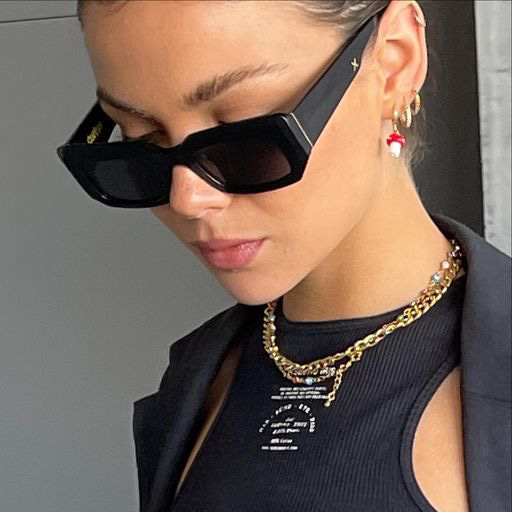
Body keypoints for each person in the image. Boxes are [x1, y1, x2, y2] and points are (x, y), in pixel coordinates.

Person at [60, 1, 511, 511]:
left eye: (246, 134)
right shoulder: (194, 383)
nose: (188, 199)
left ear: (394, 61)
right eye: (141, 141)